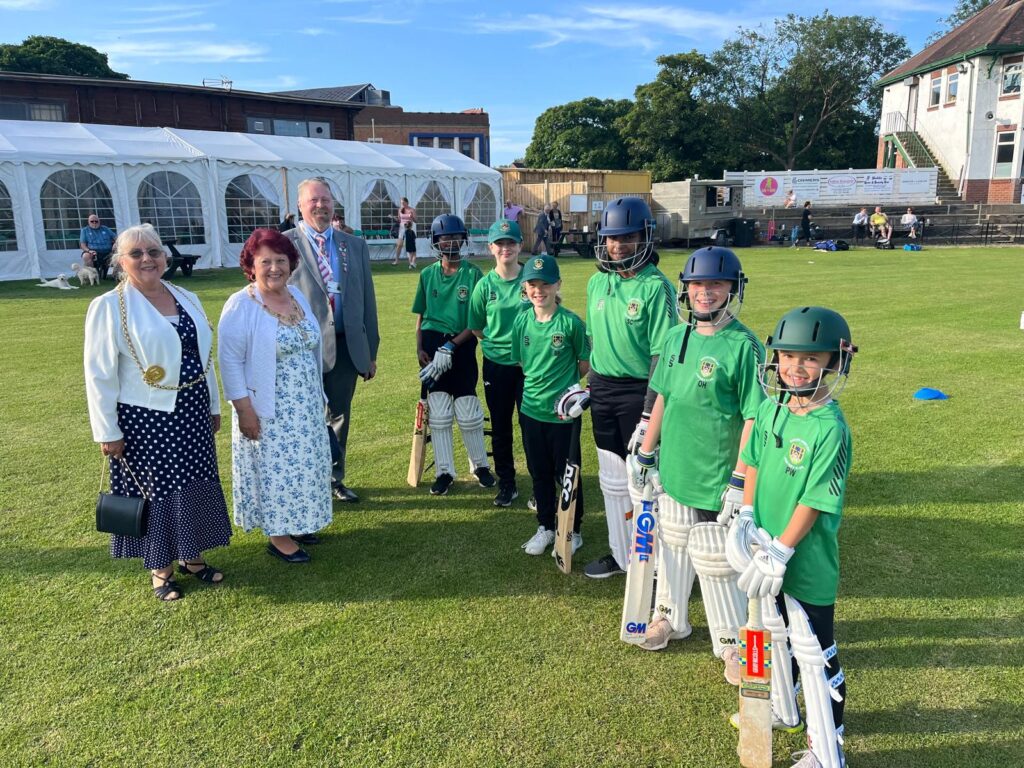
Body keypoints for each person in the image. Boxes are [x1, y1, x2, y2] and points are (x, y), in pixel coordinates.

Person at [628, 247, 764, 690]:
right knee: (672, 542)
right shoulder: (675, 336)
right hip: (676, 468)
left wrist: (740, 479)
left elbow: (753, 418)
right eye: (698, 285)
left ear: (732, 289)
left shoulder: (744, 346)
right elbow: (663, 395)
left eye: (716, 285)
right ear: (686, 288)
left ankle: (731, 644)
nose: (705, 293)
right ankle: (669, 618)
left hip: (718, 476)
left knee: (714, 556)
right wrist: (647, 453)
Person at [727, 306, 857, 768]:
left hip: (805, 562)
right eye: (786, 356)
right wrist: (746, 514)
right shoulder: (771, 406)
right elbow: (756, 460)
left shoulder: (829, 428)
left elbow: (817, 500)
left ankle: (829, 750)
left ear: (833, 363)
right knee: (774, 635)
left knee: (814, 651)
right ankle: (783, 708)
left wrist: (782, 549)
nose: (794, 368)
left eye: (809, 359)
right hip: (764, 548)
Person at [84, 224, 230, 602]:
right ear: (120, 261)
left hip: (192, 410)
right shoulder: (107, 307)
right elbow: (99, 375)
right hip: (146, 418)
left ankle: (193, 557)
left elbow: (204, 357)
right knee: (158, 491)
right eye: (136, 254)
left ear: (166, 256)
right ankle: (160, 569)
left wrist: (212, 405)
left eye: (154, 251)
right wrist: (107, 430)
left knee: (194, 483)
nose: (147, 259)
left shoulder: (187, 296)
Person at [218, 228, 332, 564]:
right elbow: (230, 362)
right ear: (251, 265)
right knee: (275, 472)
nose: (274, 268)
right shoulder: (241, 304)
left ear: (291, 263)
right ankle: (278, 535)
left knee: (304, 467)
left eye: (280, 260)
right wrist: (244, 410)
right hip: (268, 408)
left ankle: (298, 522)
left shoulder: (295, 295)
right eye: (265, 261)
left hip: (305, 406)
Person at [582, 197, 678, 579]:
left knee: (645, 480)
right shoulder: (596, 282)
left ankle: (653, 564)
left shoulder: (656, 287)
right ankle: (620, 554)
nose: (617, 246)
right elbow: (595, 343)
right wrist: (585, 387)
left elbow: (663, 357)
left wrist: (647, 411)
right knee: (611, 479)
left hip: (640, 391)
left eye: (627, 237)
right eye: (611, 238)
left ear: (645, 238)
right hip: (602, 389)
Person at [286, 177, 380, 504]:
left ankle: (333, 479)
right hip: (301, 351)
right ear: (300, 205)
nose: (320, 206)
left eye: (325, 199)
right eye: (313, 200)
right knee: (305, 418)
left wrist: (370, 352)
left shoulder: (352, 244)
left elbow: (367, 300)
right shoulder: (284, 245)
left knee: (339, 415)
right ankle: (307, 482)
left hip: (345, 345)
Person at [511, 254, 590, 555]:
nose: (539, 290)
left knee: (566, 474)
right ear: (525, 287)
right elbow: (522, 362)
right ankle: (545, 526)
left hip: (563, 416)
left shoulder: (570, 322)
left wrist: (566, 392)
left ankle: (574, 529)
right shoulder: (521, 321)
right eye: (533, 284)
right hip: (531, 410)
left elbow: (584, 363)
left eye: (546, 284)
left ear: (558, 284)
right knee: (539, 472)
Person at [414, 214, 496, 496]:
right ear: (435, 242)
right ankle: (444, 472)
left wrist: (451, 346)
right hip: (432, 341)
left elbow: (477, 322)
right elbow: (421, 316)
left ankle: (480, 466)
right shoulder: (427, 274)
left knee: (468, 409)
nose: (449, 242)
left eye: (454, 237)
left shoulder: (473, 274)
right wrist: (420, 348)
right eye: (443, 238)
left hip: (461, 342)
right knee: (438, 412)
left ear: (463, 239)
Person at [468, 219, 531, 506]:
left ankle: (542, 481)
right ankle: (507, 483)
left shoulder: (531, 279)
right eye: (500, 243)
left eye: (511, 242)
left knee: (532, 425)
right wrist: (499, 345)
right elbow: (478, 327)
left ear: (520, 245)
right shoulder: (484, 285)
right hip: (497, 365)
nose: (506, 248)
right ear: (491, 247)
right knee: (502, 426)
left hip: (531, 365)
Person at [80, 213, 116, 281]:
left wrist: (116, 243)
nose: (94, 223)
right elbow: (83, 245)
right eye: (92, 221)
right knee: (86, 256)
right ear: (88, 222)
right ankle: (92, 276)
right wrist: (88, 250)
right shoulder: (85, 230)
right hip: (93, 252)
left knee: (121, 255)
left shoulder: (105, 229)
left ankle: (116, 275)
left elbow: (117, 238)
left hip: (108, 252)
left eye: (96, 221)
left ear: (99, 221)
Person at [393, 197, 416, 266]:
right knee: (399, 245)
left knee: (410, 246)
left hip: (409, 229)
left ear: (407, 202)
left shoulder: (412, 210)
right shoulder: (400, 210)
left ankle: (412, 262)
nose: (402, 204)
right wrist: (393, 217)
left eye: (403, 203)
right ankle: (396, 261)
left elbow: (416, 220)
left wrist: (412, 217)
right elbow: (399, 220)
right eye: (401, 203)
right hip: (402, 228)